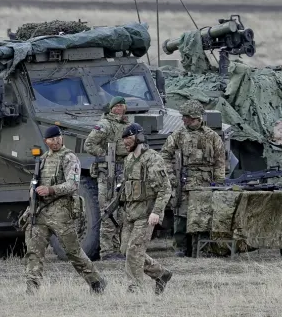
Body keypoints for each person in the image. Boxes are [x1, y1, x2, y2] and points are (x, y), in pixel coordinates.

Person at [22, 125, 106, 295]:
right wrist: (32, 197)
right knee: (34, 250)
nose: (56, 141)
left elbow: (72, 184)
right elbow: (34, 184)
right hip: (41, 212)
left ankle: (96, 281)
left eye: (58, 138)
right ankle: (32, 289)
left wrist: (51, 190)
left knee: (73, 252)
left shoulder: (69, 158)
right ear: (46, 141)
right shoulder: (43, 160)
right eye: (52, 139)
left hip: (61, 211)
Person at [159, 100, 226, 256]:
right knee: (181, 215)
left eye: (187, 117)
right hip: (184, 181)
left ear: (196, 117)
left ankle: (201, 249)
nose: (184, 120)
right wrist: (171, 176)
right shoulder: (178, 135)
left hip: (205, 183)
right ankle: (180, 248)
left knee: (203, 216)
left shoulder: (212, 136)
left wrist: (219, 183)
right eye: (183, 117)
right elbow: (164, 155)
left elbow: (220, 160)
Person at [119, 123, 173, 294]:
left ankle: (134, 289)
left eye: (129, 138)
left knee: (134, 250)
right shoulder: (128, 160)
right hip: (130, 213)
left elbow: (165, 188)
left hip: (146, 213)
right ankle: (161, 274)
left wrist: (156, 212)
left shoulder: (152, 158)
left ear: (139, 137)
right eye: (124, 139)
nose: (126, 142)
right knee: (125, 250)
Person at [83, 95, 130, 260]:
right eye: (116, 106)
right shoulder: (104, 125)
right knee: (108, 210)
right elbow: (89, 144)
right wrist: (106, 154)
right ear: (111, 108)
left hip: (122, 172)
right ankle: (107, 251)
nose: (119, 109)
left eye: (122, 106)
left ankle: (117, 249)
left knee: (121, 212)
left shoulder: (127, 125)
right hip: (107, 173)